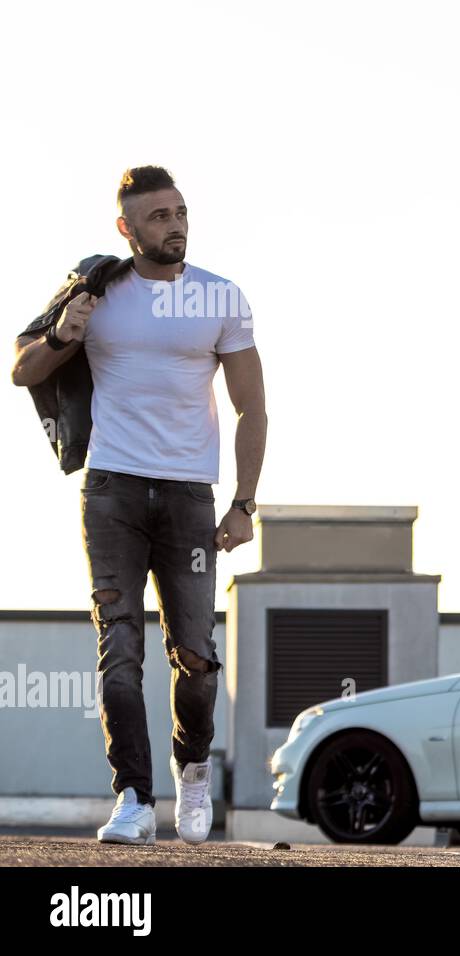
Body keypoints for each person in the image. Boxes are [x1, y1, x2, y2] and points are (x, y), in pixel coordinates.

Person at [10, 165, 268, 846]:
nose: (175, 225)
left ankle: (191, 772)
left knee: (196, 654)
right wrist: (66, 331)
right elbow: (22, 368)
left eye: (180, 212)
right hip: (112, 490)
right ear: (126, 228)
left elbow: (252, 408)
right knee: (119, 646)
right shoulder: (96, 290)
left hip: (189, 496)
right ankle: (131, 795)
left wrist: (243, 504)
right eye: (158, 216)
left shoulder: (220, 297)